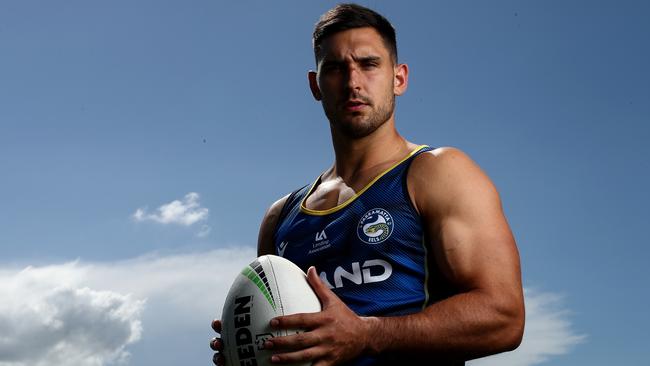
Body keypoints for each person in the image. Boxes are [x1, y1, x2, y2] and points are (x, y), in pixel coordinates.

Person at [211, 3, 524, 365]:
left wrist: (367, 334)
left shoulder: (438, 172)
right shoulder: (281, 217)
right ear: (315, 85)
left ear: (399, 78)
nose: (352, 82)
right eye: (335, 68)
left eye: (369, 64)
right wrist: (247, 346)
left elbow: (504, 318)